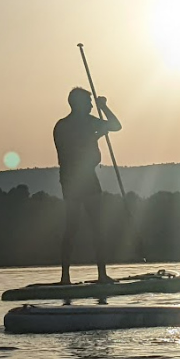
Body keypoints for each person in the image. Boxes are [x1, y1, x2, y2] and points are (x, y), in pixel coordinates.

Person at [53, 87, 122, 285]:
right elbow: (115, 126)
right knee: (79, 227)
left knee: (88, 227)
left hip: (80, 178)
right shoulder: (69, 125)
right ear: (79, 104)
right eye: (89, 103)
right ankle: (69, 277)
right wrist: (103, 112)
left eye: (93, 103)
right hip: (76, 179)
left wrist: (103, 111)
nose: (92, 105)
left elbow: (116, 126)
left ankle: (96, 275)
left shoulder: (82, 123)